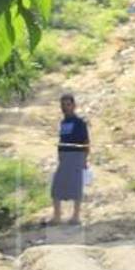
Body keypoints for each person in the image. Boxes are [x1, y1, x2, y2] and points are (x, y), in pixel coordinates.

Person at [50, 93, 89, 225]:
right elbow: (62, 140)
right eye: (63, 105)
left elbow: (86, 141)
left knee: (76, 185)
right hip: (64, 156)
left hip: (76, 155)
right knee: (57, 186)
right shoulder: (63, 123)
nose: (65, 107)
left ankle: (76, 216)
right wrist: (60, 155)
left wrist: (84, 158)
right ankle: (57, 216)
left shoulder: (80, 123)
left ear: (73, 105)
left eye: (68, 104)